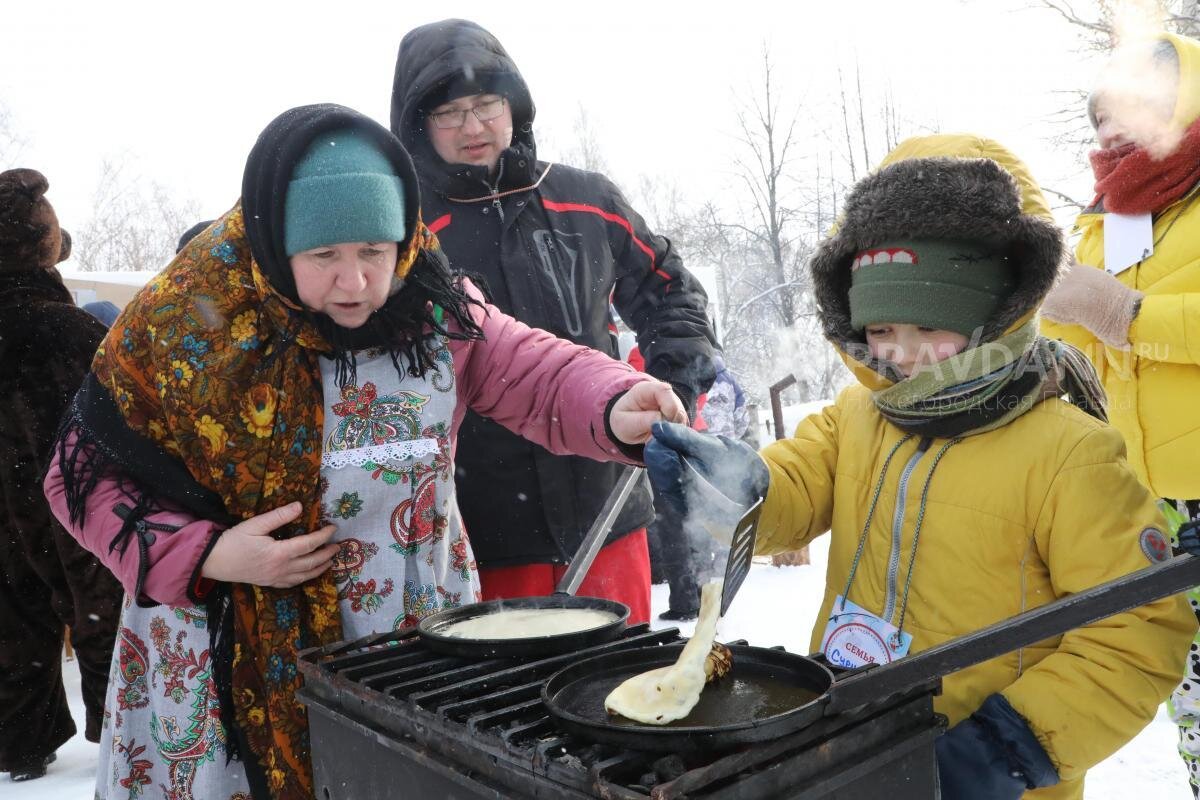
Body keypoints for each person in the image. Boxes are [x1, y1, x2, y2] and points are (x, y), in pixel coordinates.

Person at [43, 104, 684, 800]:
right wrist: (208, 554)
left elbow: (529, 368)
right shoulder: (184, 322)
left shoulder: (429, 303)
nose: (355, 283)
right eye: (324, 257)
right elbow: (82, 480)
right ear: (275, 242)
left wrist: (616, 402)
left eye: (375, 253)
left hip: (413, 644)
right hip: (219, 655)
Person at [644, 155, 1194, 800]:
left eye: (929, 327)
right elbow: (790, 491)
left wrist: (1011, 747)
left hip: (985, 764)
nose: (902, 353)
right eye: (880, 331)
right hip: (851, 738)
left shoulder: (1070, 452)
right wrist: (729, 484)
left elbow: (1136, 629)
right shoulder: (858, 416)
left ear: (994, 318)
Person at [390, 19, 718, 624]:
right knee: (499, 707)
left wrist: (676, 382)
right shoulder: (401, 236)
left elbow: (670, 291)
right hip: (482, 535)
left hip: (608, 511)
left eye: (487, 104)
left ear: (514, 105)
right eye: (449, 112)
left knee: (620, 693)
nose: (473, 126)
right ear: (416, 125)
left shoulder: (584, 199)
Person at [1038, 33, 1200, 793]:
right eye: (1099, 117)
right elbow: (1085, 340)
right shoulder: (1107, 222)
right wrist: (1052, 304)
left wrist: (1125, 313)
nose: (1109, 131)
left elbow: (1126, 322)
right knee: (1192, 699)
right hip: (1156, 501)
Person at [0, 168, 122, 781]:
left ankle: (21, 742)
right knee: (99, 603)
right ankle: (121, 730)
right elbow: (125, 409)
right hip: (74, 493)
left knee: (12, 617)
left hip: (6, 510)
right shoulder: (72, 328)